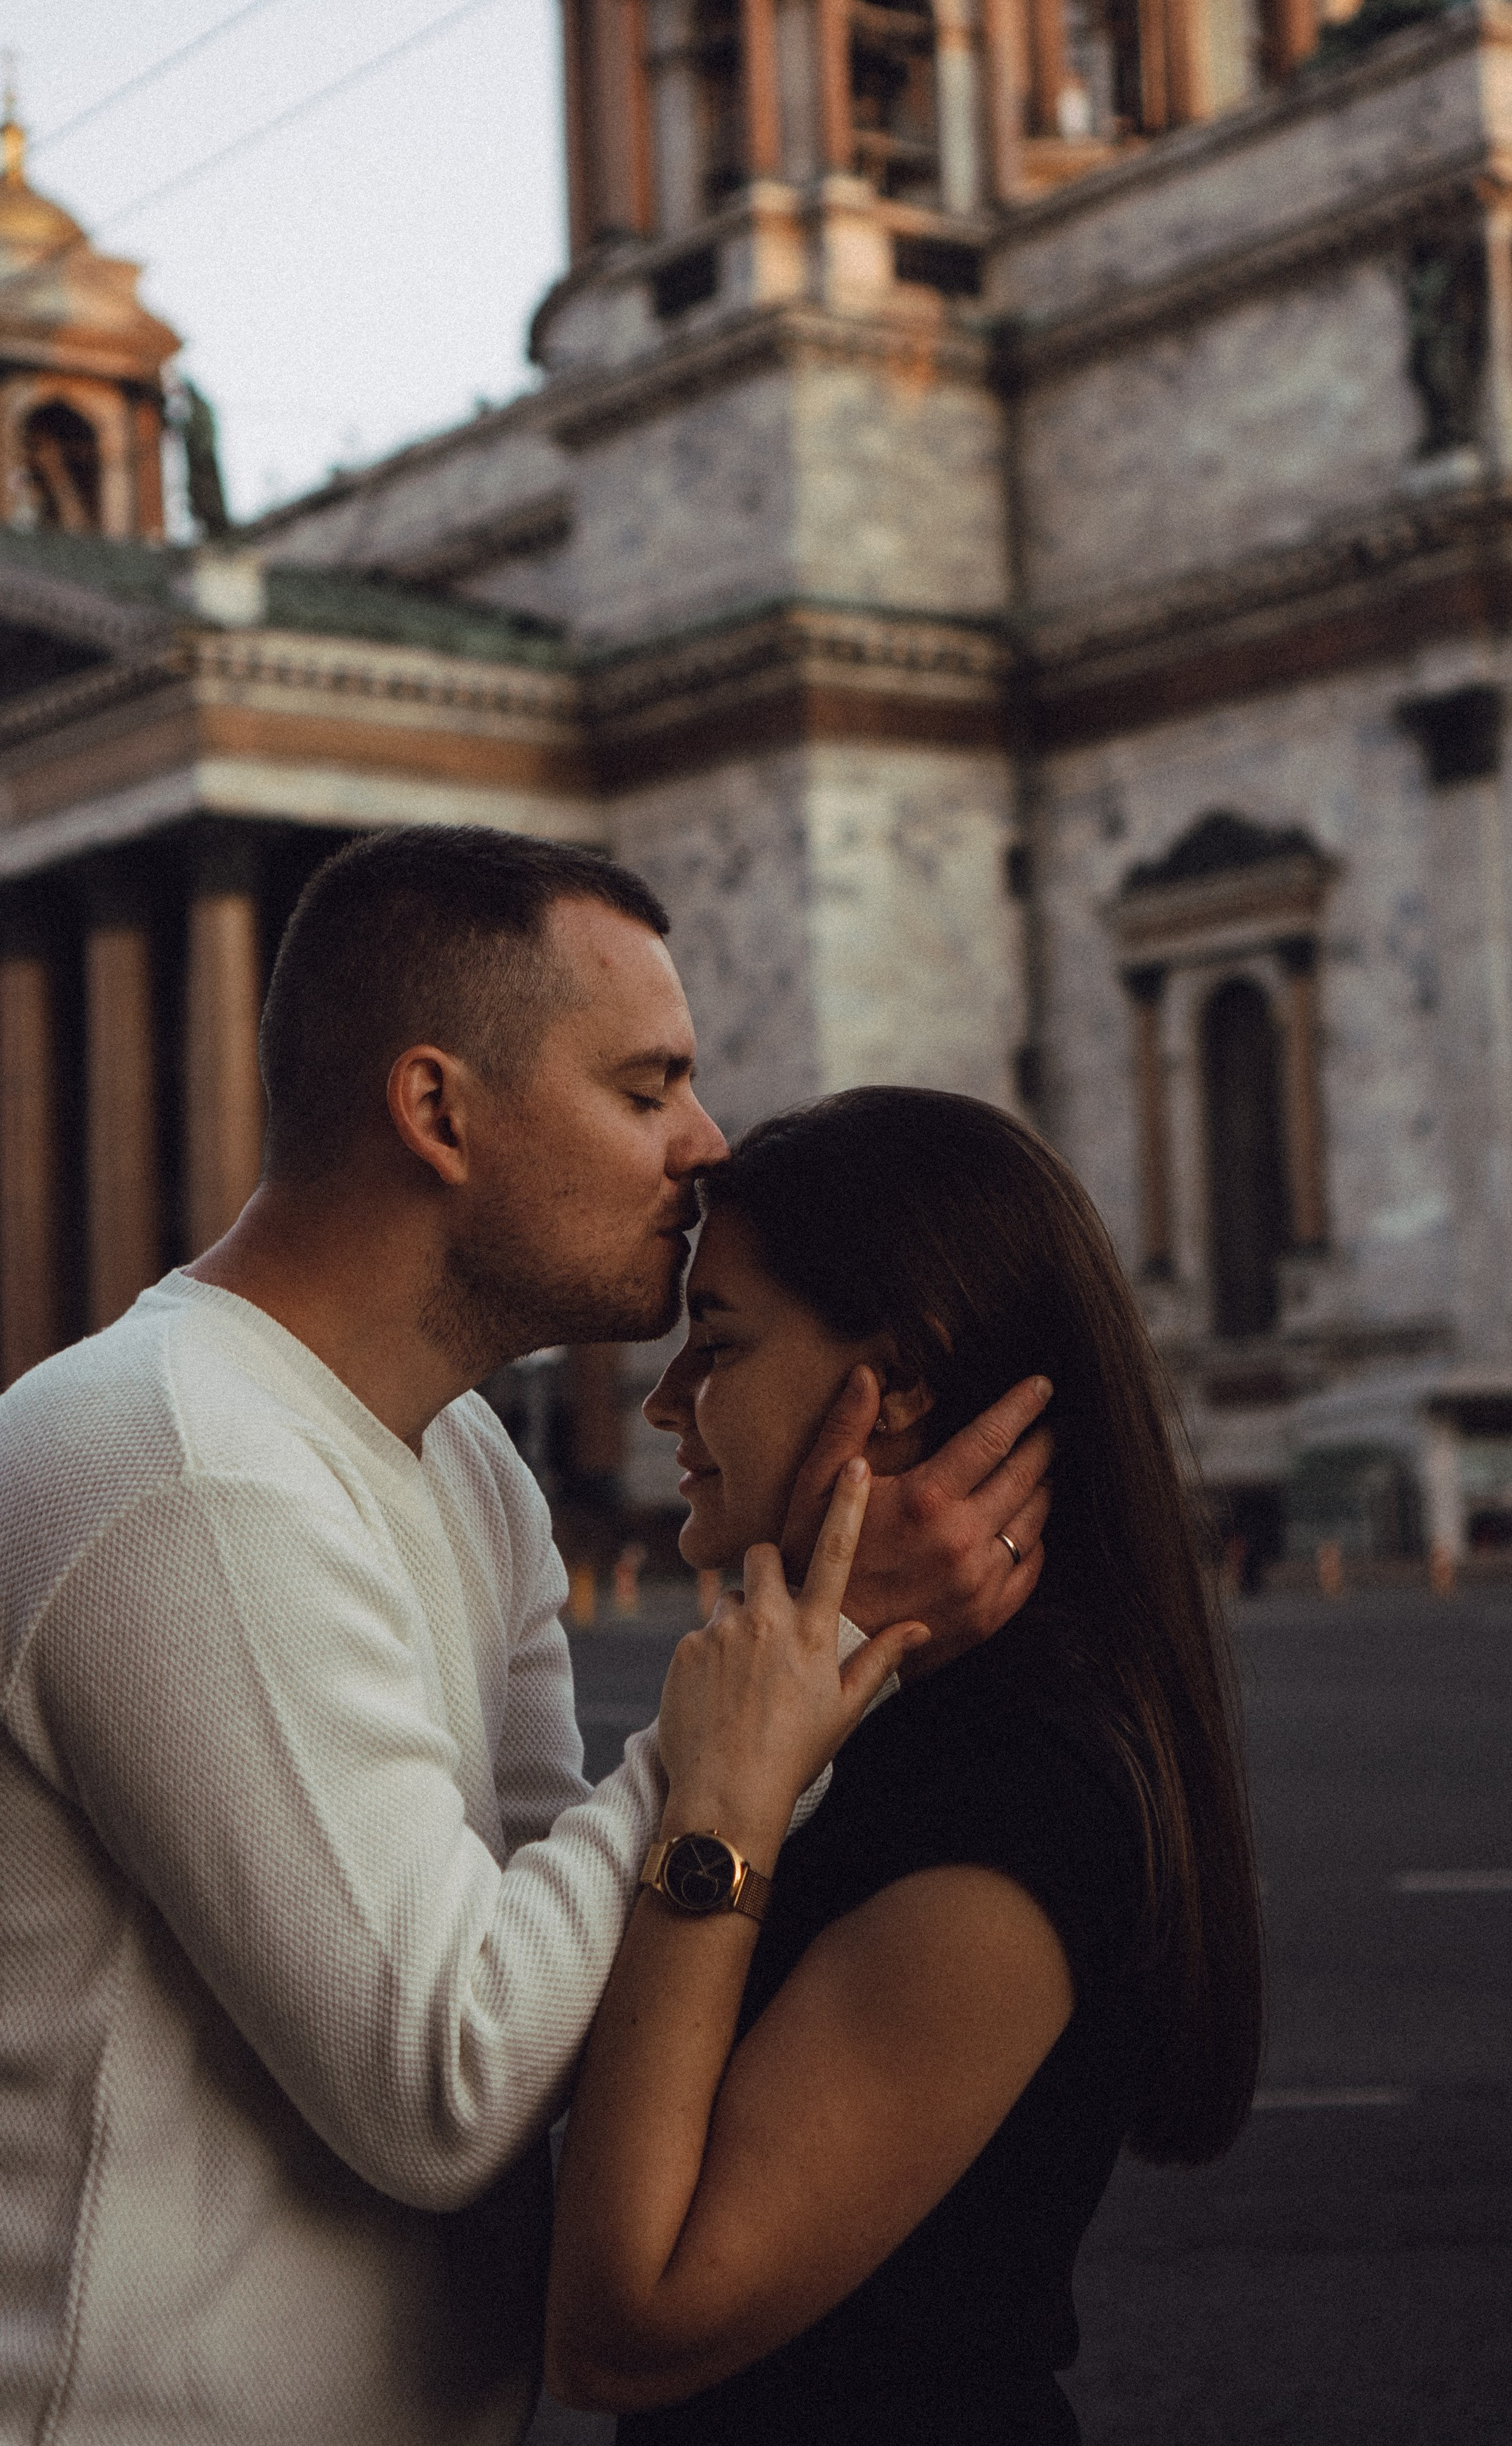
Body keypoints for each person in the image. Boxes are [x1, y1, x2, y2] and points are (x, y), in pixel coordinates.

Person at [0, 827, 1052, 2446]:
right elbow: (455, 2081)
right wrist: (791, 1677)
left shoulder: (462, 1454)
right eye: (645, 1091)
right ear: (437, 1113)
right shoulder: (179, 1465)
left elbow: (580, 1941)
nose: (703, 1146)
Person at [544, 1085, 1265, 2444]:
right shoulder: (887, 1715)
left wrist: (725, 1803)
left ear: (896, 1390)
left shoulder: (1012, 1802)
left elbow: (623, 2327)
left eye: (717, 1344)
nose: (660, 1404)